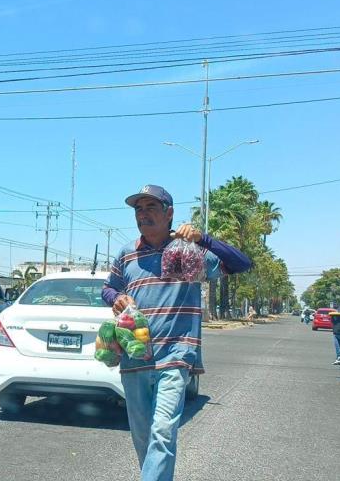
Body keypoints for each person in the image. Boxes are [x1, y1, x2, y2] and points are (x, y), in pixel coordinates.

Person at [103, 185, 252, 481]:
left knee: (162, 432)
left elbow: (241, 264)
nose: (143, 215)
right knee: (144, 437)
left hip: (176, 354)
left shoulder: (189, 253)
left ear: (169, 214)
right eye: (138, 209)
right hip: (135, 356)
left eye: (151, 208)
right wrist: (115, 298)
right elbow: (108, 287)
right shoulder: (126, 253)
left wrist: (203, 238)